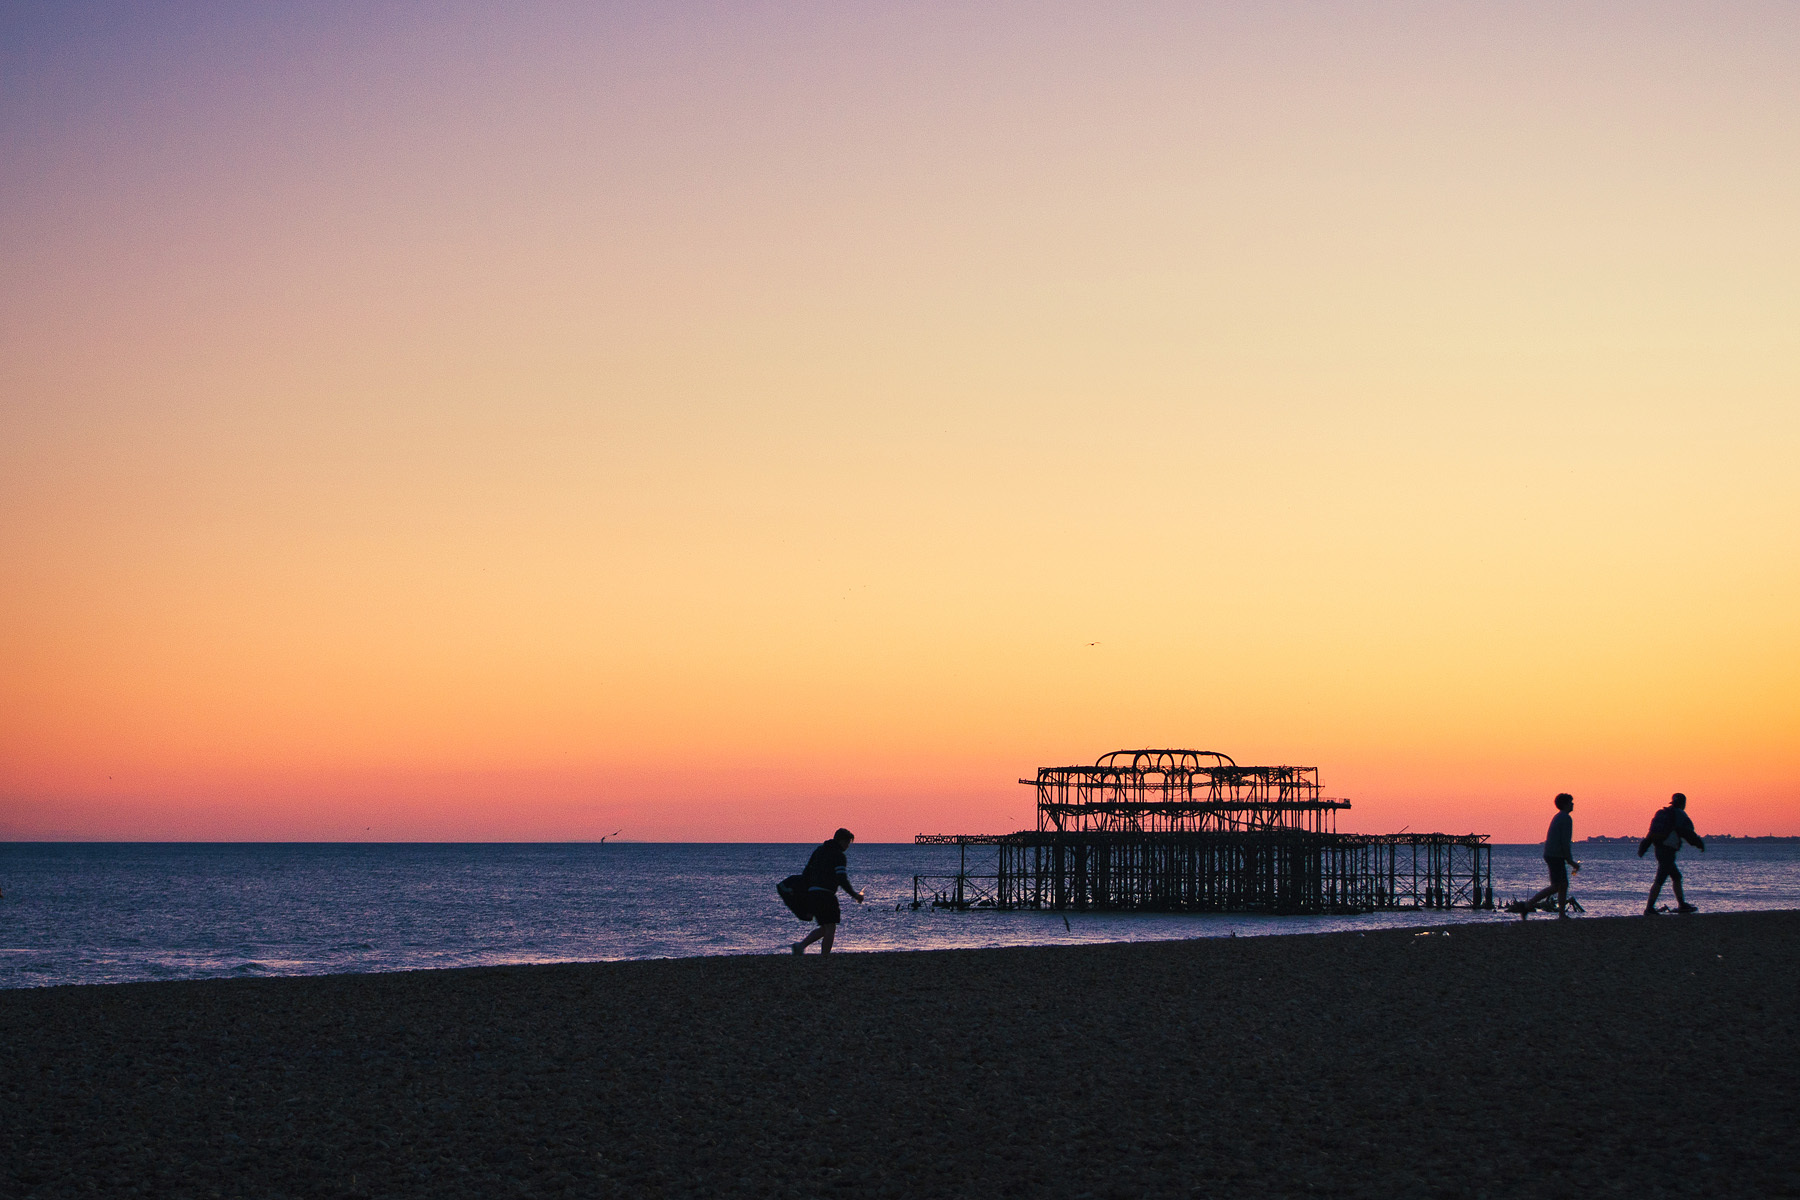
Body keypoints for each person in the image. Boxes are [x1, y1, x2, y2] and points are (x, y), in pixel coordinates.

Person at [791, 828, 864, 955]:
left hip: (813, 893)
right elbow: (842, 879)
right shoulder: (839, 855)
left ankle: (800, 946)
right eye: (847, 843)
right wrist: (855, 895)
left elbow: (806, 873)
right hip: (826, 894)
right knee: (831, 927)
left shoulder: (819, 851)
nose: (847, 846)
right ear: (841, 841)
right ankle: (825, 957)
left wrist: (805, 894)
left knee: (825, 927)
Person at [1639, 793, 1704, 915]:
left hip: (1659, 849)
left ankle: (1681, 904)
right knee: (1660, 879)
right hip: (1667, 851)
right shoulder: (1679, 814)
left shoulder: (1662, 814)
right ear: (1683, 803)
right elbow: (1687, 832)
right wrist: (1699, 843)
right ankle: (1649, 908)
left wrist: (1644, 847)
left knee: (1676, 877)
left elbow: (1651, 833)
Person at [1516, 793, 1578, 916]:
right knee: (1557, 886)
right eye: (1570, 802)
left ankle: (1561, 914)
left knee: (1563, 885)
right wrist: (1570, 861)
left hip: (1552, 854)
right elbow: (1564, 841)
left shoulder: (1559, 817)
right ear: (1565, 804)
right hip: (1555, 855)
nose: (1573, 804)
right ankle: (1528, 905)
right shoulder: (1565, 818)